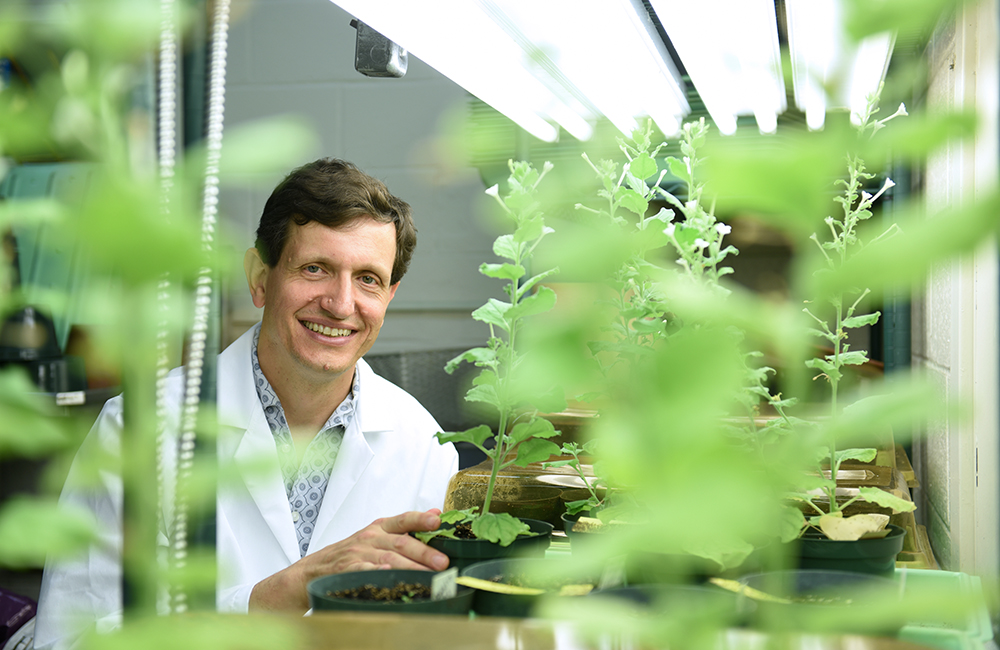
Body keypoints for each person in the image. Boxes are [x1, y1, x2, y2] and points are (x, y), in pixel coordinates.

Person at [34, 158, 459, 647]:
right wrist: (271, 599)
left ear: (390, 295)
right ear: (260, 277)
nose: (342, 305)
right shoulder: (138, 431)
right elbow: (68, 640)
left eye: (368, 279)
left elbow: (439, 621)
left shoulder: (425, 446)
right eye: (315, 268)